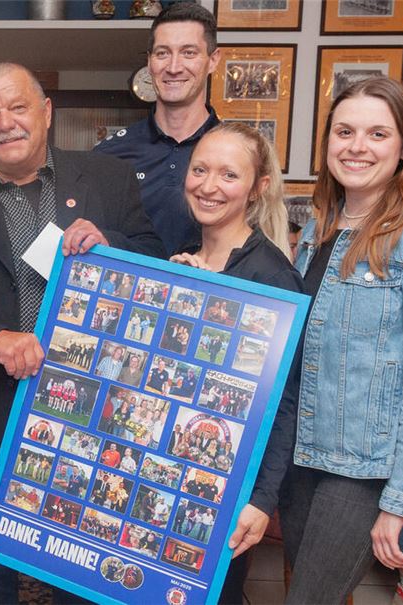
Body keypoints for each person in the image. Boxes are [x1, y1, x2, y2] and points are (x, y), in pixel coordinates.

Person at [0, 62, 163, 604]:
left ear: (46, 113)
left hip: (94, 413)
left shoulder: (108, 180)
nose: (6, 123)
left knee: (82, 566)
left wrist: (111, 242)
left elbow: (156, 264)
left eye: (18, 107)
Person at [227, 77, 403, 604]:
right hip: (301, 459)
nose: (357, 146)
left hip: (361, 470)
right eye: (344, 131)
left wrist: (399, 502)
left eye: (378, 133)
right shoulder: (317, 230)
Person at [167, 121, 303, 604]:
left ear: (257, 187)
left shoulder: (273, 277)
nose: (208, 186)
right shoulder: (182, 259)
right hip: (171, 476)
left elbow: (286, 403)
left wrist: (262, 500)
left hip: (227, 489)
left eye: (228, 175)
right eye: (200, 169)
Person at [94, 2, 221, 256]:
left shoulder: (237, 153)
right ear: (149, 61)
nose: (174, 67)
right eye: (162, 53)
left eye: (189, 53)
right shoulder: (110, 154)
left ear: (213, 61)